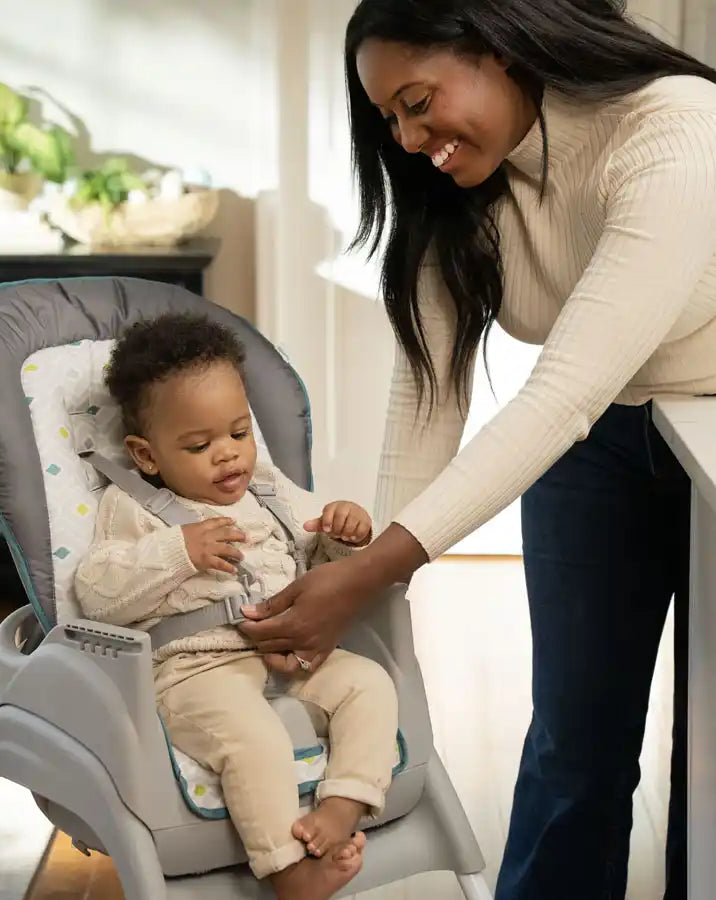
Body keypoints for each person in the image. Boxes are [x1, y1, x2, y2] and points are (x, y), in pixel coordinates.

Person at [238, 2, 716, 897]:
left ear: (500, 47)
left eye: (419, 102)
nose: (412, 140)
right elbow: (429, 390)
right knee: (575, 736)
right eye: (390, 120)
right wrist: (369, 573)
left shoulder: (675, 130)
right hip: (602, 436)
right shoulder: (456, 191)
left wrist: (369, 572)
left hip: (707, 434)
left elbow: (560, 389)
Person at [73, 313, 400, 900]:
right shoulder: (134, 507)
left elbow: (317, 566)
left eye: (239, 433)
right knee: (255, 738)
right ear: (146, 456)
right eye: (199, 445)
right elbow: (96, 594)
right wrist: (178, 550)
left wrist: (340, 537)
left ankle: (343, 806)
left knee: (370, 683)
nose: (227, 456)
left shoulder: (269, 490)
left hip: (291, 653)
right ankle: (288, 871)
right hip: (197, 672)